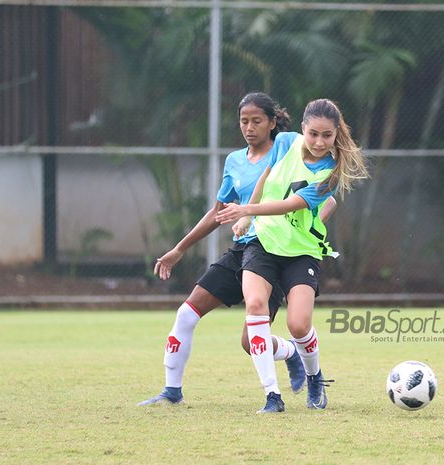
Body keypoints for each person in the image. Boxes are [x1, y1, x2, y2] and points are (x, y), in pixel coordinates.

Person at [138, 92, 336, 406]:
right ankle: (172, 391)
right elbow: (219, 211)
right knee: (187, 313)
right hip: (244, 250)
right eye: (244, 121)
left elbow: (326, 200)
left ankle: (294, 360)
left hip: (279, 251)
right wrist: (179, 248)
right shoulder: (235, 161)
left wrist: (307, 233)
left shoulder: (293, 150)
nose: (249, 127)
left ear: (273, 123)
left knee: (251, 340)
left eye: (256, 121)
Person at [216, 98, 369, 413]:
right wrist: (247, 219)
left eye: (327, 136)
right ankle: (272, 396)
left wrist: (247, 208)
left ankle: (314, 376)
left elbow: (289, 205)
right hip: (262, 243)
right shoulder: (284, 142)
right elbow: (266, 176)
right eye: (313, 134)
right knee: (255, 307)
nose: (319, 142)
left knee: (299, 326)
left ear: (336, 134)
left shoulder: (330, 173)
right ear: (303, 129)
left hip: (300, 252)